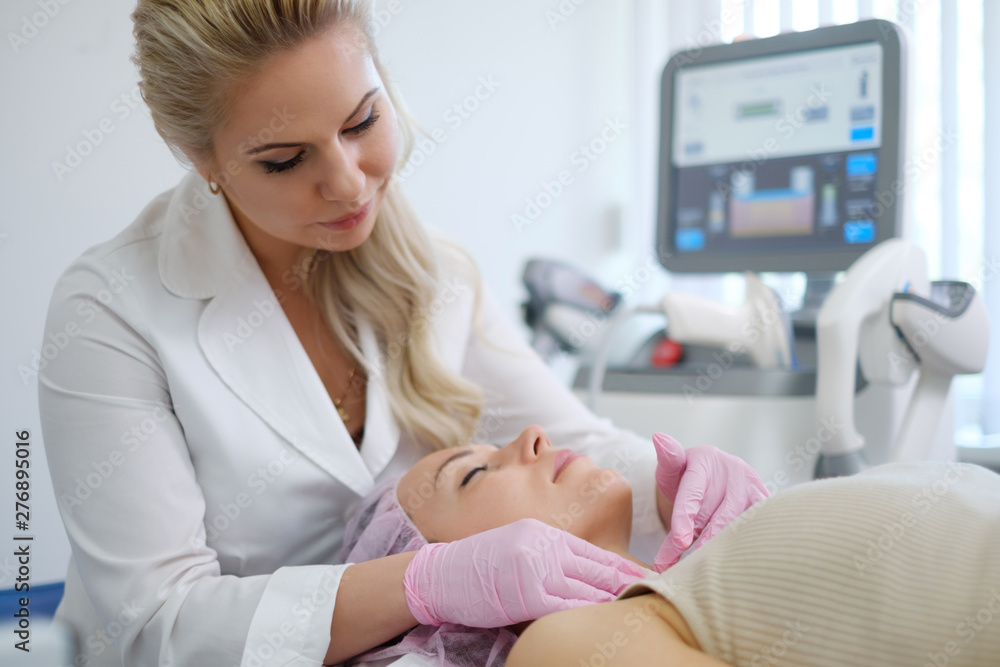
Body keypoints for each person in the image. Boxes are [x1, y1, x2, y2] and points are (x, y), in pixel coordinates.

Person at [36, 2, 768, 666]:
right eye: (285, 159)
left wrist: (682, 486)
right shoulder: (112, 311)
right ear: (202, 160)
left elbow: (575, 440)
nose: (350, 184)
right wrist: (421, 585)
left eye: (361, 122)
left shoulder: (436, 273)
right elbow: (154, 624)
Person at [343, 426, 1000, 667]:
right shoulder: (563, 646)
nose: (533, 436)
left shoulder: (690, 585)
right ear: (459, 601)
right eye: (474, 472)